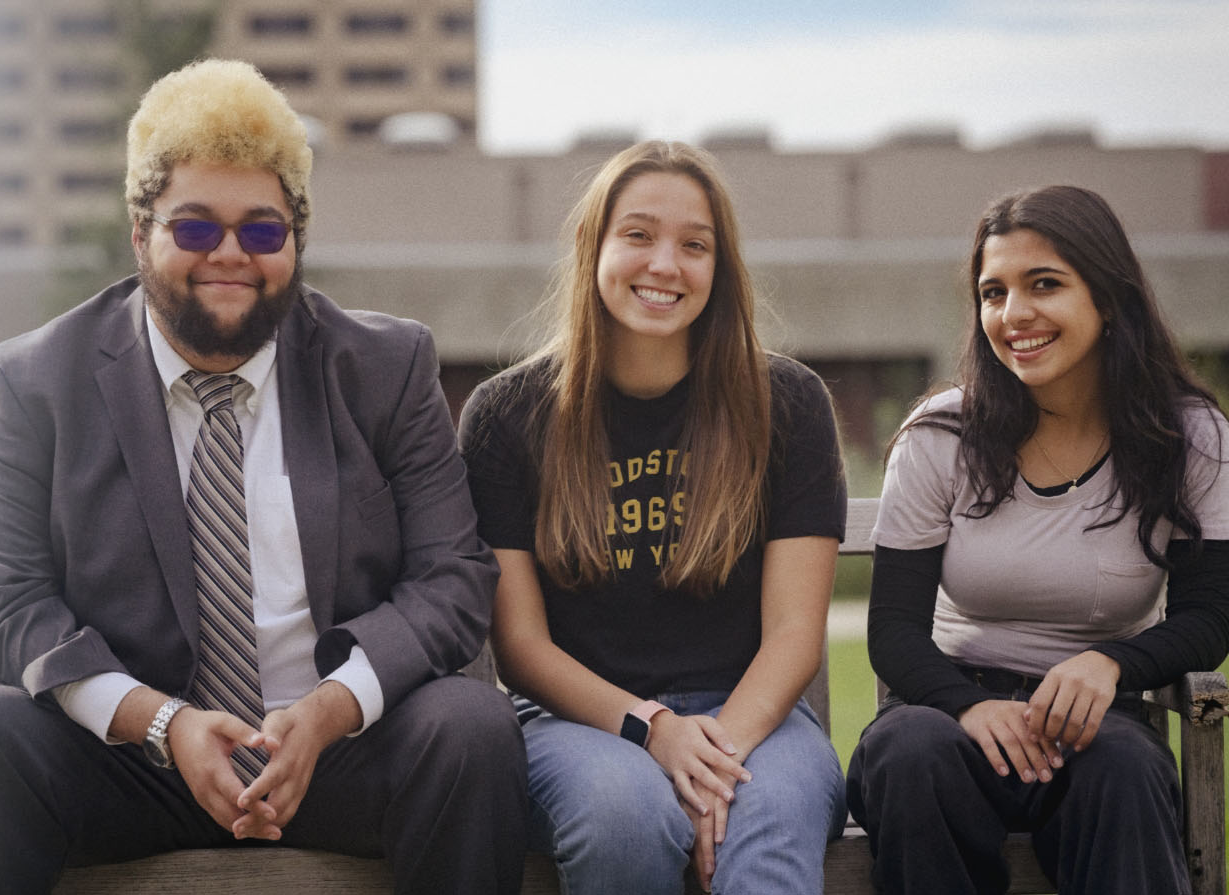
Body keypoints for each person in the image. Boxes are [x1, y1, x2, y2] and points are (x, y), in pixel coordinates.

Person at [0, 59, 527, 895]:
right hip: (128, 758)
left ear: (296, 239)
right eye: (195, 228)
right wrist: (163, 723)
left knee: (470, 725)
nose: (230, 255)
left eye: (262, 231)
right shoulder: (31, 382)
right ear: (141, 231)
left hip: (333, 751)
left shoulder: (386, 366)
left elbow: (452, 581)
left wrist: (327, 712)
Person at [459, 140, 847, 894]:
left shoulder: (789, 404)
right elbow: (522, 645)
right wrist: (651, 730)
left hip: (758, 719)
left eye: (694, 245)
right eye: (638, 234)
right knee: (625, 816)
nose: (665, 264)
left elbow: (796, 634)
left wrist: (712, 759)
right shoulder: (508, 415)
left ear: (720, 268)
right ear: (593, 246)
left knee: (765, 825)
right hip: (577, 725)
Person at [845, 185, 1229, 894]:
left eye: (1043, 284)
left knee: (1125, 771)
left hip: (1099, 723)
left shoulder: (1189, 437)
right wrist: (969, 704)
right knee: (910, 754)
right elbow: (894, 630)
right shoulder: (943, 434)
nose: (1013, 314)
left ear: (1109, 300)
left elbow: (1209, 617)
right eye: (993, 292)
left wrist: (1111, 662)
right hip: (948, 713)